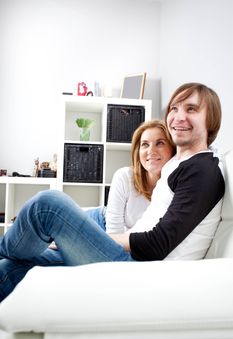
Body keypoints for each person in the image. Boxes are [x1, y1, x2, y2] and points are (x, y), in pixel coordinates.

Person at [0, 82, 225, 302]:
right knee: (8, 269)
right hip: (131, 260)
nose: (178, 117)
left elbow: (158, 244)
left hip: (139, 272)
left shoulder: (203, 170)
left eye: (191, 109)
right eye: (174, 109)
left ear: (211, 118)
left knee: (48, 206)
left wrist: (92, 238)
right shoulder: (178, 162)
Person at [86, 119, 175, 232]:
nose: (151, 151)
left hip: (123, 240)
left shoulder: (177, 189)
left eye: (160, 143)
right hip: (99, 223)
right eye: (145, 144)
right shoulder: (124, 177)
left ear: (173, 149)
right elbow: (114, 235)